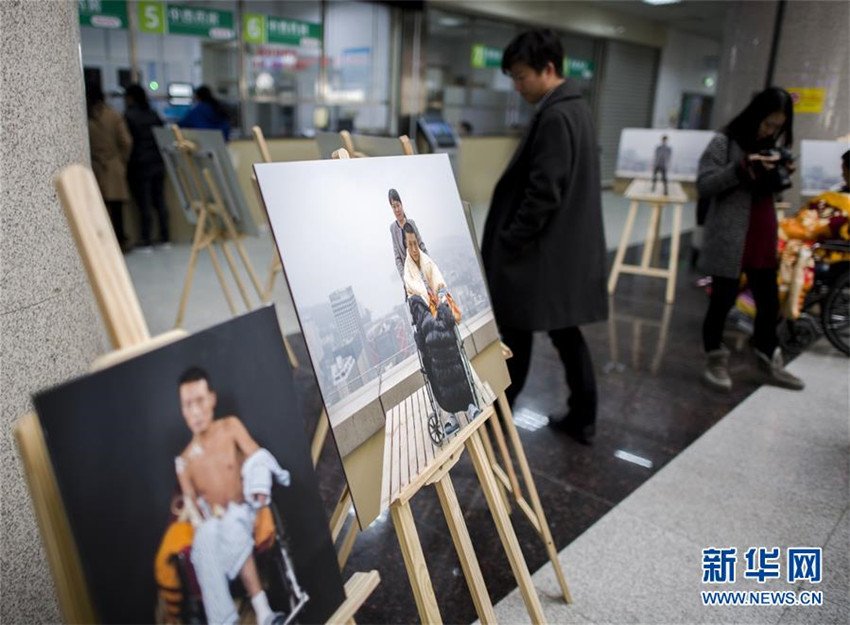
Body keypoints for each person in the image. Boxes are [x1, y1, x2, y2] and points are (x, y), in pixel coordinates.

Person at [481, 28, 607, 445]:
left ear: (547, 68)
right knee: (564, 331)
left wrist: (510, 240)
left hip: (541, 253)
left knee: (516, 331)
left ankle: (500, 415)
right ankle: (583, 413)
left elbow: (543, 192)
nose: (517, 86)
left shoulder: (555, 115)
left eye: (521, 76)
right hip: (563, 250)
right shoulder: (575, 108)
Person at [698, 87, 804, 392]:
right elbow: (705, 185)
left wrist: (780, 173)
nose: (771, 131)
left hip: (762, 232)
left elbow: (772, 192)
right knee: (722, 301)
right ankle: (715, 359)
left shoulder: (772, 146)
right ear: (755, 114)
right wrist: (742, 168)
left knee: (768, 303)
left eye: (778, 127)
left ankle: (768, 358)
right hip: (730, 236)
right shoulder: (725, 142)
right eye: (768, 123)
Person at [175, 367, 291, 625]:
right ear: (182, 410)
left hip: (247, 508)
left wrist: (259, 484)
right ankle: (223, 620)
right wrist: (200, 517)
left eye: (200, 401)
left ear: (212, 399)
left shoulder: (230, 427)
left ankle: (263, 612)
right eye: (187, 405)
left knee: (230, 525)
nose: (195, 411)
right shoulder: (184, 461)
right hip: (216, 525)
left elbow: (257, 456)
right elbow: (192, 507)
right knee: (205, 537)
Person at [402, 224, 476, 434]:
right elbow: (415, 304)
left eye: (416, 244)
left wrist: (440, 300)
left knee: (447, 345)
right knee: (436, 349)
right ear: (406, 247)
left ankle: (468, 405)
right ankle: (452, 412)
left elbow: (441, 287)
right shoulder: (409, 276)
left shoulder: (429, 265)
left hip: (439, 316)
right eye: (410, 245)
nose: (414, 249)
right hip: (428, 320)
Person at [86, 84, 133, 251]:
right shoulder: (114, 116)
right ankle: (120, 241)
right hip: (114, 166)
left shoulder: (84, 118)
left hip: (95, 167)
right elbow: (126, 142)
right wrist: (121, 161)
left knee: (98, 208)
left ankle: (103, 244)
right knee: (117, 209)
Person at [124, 84, 169, 251]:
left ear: (130, 97)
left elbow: (126, 141)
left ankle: (147, 239)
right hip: (157, 161)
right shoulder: (153, 114)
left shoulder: (129, 116)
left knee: (145, 203)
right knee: (159, 201)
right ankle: (165, 237)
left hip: (140, 164)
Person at [388, 188, 427, 278]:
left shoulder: (411, 223)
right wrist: (405, 278)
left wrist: (430, 266)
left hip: (420, 271)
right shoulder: (393, 228)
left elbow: (421, 246)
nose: (397, 209)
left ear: (402, 204)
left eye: (398, 205)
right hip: (408, 276)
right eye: (394, 207)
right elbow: (397, 258)